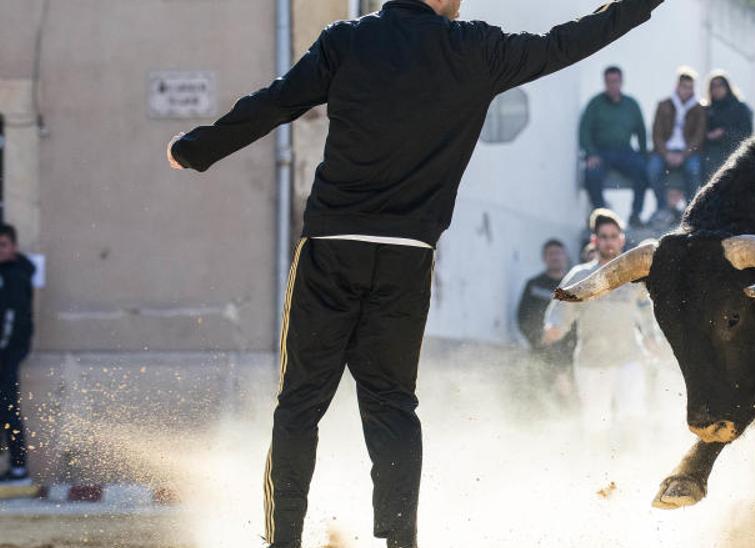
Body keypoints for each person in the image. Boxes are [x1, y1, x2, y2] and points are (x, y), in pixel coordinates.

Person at [165, 1, 664, 545]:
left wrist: (198, 148)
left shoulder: (348, 40)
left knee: (300, 403)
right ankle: (401, 542)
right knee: (392, 405)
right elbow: (573, 39)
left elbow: (278, 101)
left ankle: (284, 539)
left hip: (332, 248)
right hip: (407, 257)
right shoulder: (478, 49)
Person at [544, 210, 662, 443]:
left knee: (633, 417)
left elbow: (646, 309)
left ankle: (634, 465)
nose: (609, 241)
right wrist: (554, 327)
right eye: (603, 236)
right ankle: (598, 469)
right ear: (595, 240)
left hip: (629, 358)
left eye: (613, 236)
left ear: (621, 239)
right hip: (592, 362)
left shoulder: (633, 274)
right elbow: (560, 311)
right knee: (596, 425)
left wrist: (651, 337)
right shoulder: (580, 275)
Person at [580, 66, 652, 228]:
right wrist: (590, 153)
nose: (612, 85)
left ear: (621, 82)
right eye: (609, 81)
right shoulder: (595, 103)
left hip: (625, 152)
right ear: (604, 82)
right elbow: (584, 131)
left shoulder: (631, 104)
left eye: (616, 81)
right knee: (591, 173)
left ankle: (635, 214)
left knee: (642, 170)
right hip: (601, 152)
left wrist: (643, 154)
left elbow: (641, 131)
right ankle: (600, 214)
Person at [516, 239, 576, 408]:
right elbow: (522, 317)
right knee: (537, 400)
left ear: (565, 256)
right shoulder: (533, 285)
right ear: (544, 258)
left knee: (567, 403)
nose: (555, 257)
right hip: (539, 352)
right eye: (551, 254)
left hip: (567, 357)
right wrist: (540, 339)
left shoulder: (572, 287)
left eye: (558, 253)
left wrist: (569, 348)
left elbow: (576, 320)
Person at [649, 67, 707, 219]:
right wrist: (666, 154)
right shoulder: (664, 105)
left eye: (689, 87)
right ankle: (662, 207)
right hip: (665, 151)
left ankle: (690, 209)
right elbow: (656, 134)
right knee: (653, 169)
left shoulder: (699, 108)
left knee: (693, 170)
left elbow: (698, 136)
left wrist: (683, 155)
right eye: (683, 86)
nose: (686, 91)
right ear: (677, 86)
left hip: (687, 152)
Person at [0, 225, 34, 487]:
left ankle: (19, 469)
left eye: (3, 245)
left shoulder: (15, 276)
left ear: (13, 247)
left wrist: (6, 349)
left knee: (8, 409)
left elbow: (13, 319)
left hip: (7, 354)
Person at [702, 72, 754, 181]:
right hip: (712, 154)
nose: (717, 89)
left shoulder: (740, 107)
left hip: (734, 151)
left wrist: (724, 133)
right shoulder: (707, 109)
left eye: (720, 85)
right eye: (713, 86)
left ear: (727, 87)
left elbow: (747, 133)